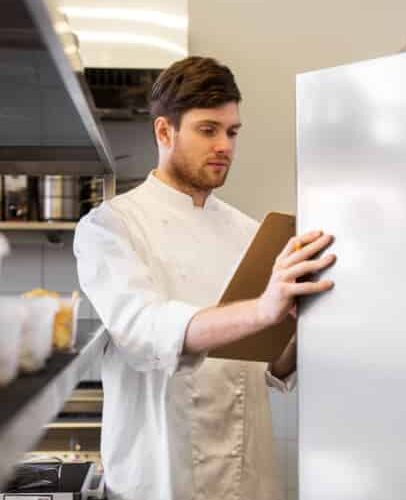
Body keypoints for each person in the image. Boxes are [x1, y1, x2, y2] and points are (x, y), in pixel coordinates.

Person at [74, 56, 336, 500]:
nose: (225, 146)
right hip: (160, 478)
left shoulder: (250, 231)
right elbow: (144, 330)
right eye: (208, 130)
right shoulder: (110, 227)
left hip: (246, 479)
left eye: (232, 132)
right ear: (164, 131)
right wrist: (259, 309)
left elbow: (268, 366)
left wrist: (308, 323)